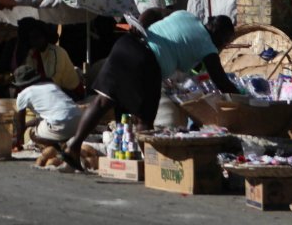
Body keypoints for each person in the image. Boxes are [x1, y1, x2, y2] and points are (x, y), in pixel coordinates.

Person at [61, 11, 237, 171]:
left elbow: (153, 12)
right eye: (226, 42)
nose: (223, 47)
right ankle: (153, 169)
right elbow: (221, 81)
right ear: (220, 37)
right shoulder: (208, 46)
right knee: (144, 120)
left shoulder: (186, 15)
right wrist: (243, 96)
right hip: (146, 63)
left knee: (102, 101)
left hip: (126, 44)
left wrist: (141, 25)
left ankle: (73, 146)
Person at [11, 64, 83, 150]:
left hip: (62, 125)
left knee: (33, 133)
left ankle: (59, 147)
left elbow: (20, 124)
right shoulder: (51, 85)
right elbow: (56, 112)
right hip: (80, 122)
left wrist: (17, 141)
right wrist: (27, 125)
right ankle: (67, 141)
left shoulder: (23, 95)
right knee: (44, 122)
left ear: (20, 85)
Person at [15, 19, 81, 95]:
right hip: (49, 91)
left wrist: (36, 80)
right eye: (32, 38)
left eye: (37, 37)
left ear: (45, 37)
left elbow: (54, 82)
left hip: (71, 92)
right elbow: (29, 78)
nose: (34, 41)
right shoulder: (32, 53)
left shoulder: (57, 52)